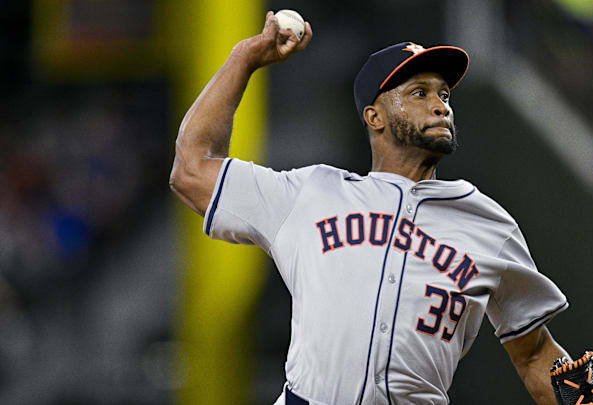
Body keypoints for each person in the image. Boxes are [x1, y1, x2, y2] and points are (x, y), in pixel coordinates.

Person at [170, 11, 572, 405]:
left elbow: (536, 353)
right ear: (374, 116)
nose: (440, 106)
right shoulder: (310, 193)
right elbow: (191, 168)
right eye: (420, 93)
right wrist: (244, 58)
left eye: (444, 94)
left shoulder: (489, 225)